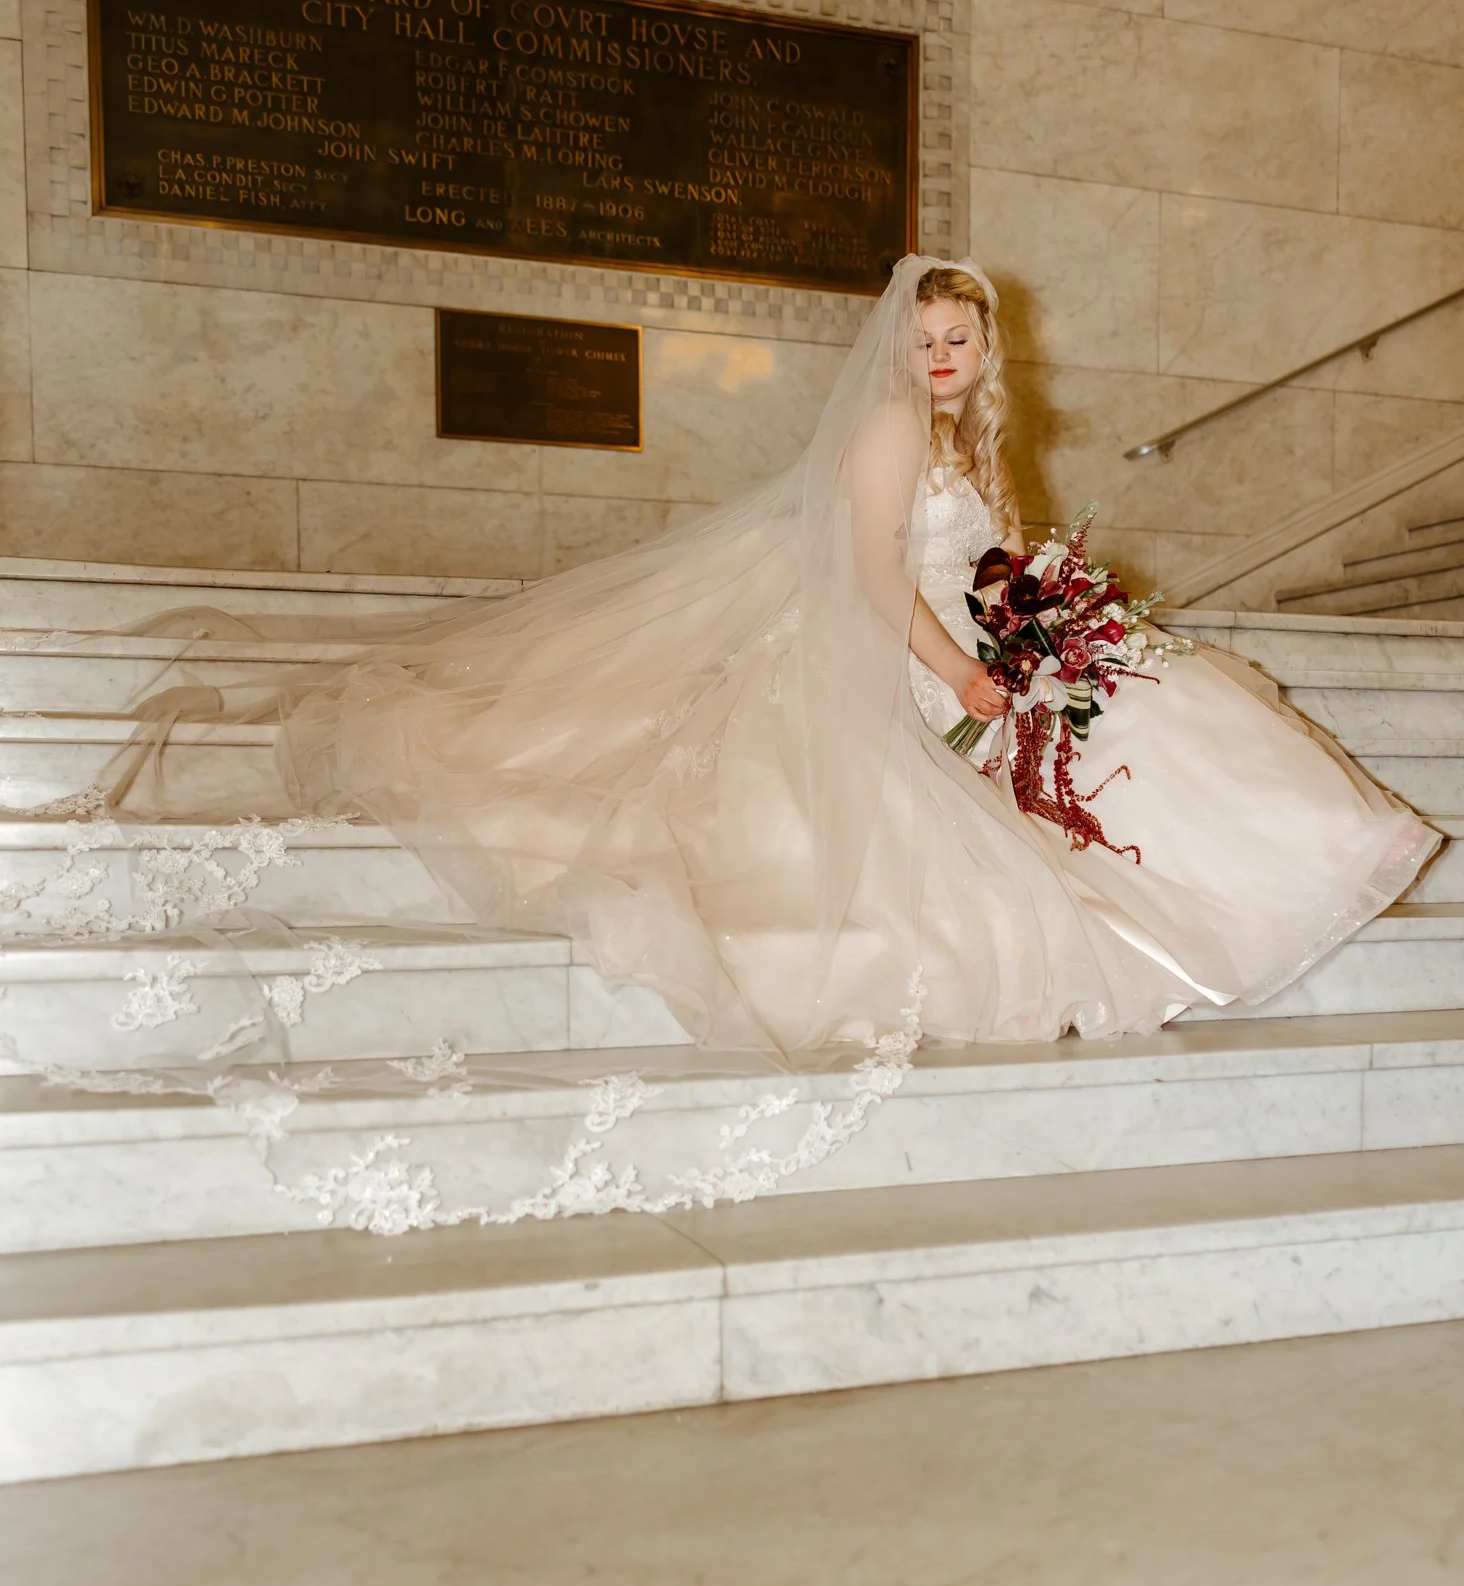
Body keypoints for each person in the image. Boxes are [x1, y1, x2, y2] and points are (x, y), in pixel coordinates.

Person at [104, 254, 1438, 1059]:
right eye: (922, 339)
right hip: (889, 641)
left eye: (959, 340)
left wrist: (1046, 625)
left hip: (975, 634)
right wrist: (966, 673)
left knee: (1158, 695)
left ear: (985, 351)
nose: (939, 356)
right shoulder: (880, 438)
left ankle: (1313, 859)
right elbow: (869, 575)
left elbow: (1001, 555)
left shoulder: (978, 441)